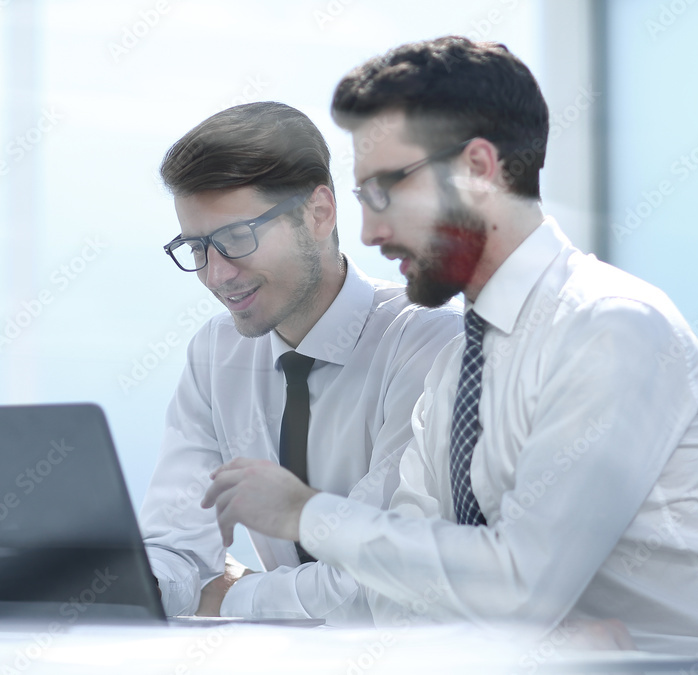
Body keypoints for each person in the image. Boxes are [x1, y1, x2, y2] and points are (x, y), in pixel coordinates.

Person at [202, 38, 698, 665]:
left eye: (387, 189)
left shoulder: (610, 326)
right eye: (363, 199)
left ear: (477, 167)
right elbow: (395, 597)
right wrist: (529, 627)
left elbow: (522, 583)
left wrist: (308, 514)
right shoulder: (455, 370)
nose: (369, 233)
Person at [139, 101, 463, 622]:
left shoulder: (428, 343)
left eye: (236, 239)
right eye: (196, 247)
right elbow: (177, 549)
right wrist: (130, 583)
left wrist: (233, 596)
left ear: (318, 214)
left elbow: (380, 583)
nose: (216, 275)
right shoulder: (215, 352)